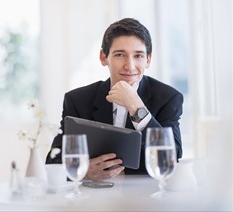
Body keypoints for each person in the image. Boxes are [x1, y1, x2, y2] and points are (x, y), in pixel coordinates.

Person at [45, 18, 183, 180]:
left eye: (138, 56)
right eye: (120, 55)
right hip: (92, 197)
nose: (129, 66)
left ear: (148, 60)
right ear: (104, 57)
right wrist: (84, 172)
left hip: (145, 197)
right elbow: (53, 161)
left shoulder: (168, 98)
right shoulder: (78, 100)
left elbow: (171, 157)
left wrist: (136, 107)